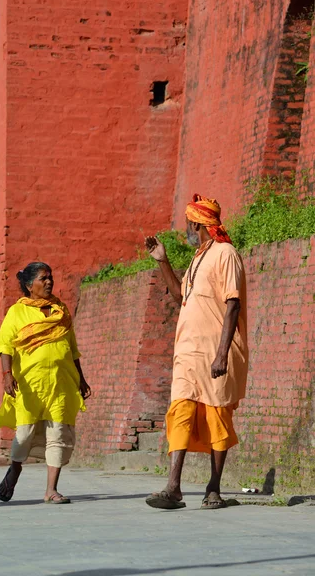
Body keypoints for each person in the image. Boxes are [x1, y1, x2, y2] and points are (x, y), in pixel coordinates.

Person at [145, 194, 248, 510]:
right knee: (181, 411)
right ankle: (173, 487)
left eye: (188, 223)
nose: (186, 229)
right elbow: (181, 297)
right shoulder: (198, 256)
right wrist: (162, 260)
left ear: (198, 223)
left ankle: (213, 488)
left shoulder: (225, 254)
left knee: (217, 415)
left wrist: (221, 353)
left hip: (216, 352)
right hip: (188, 351)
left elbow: (233, 304)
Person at [0, 262, 91, 504]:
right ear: (29, 285)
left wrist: (81, 378)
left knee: (58, 433)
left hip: (61, 383)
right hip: (29, 384)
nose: (49, 282)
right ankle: (15, 468)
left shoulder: (61, 310)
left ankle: (51, 490)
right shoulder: (17, 312)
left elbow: (72, 349)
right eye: (43, 278)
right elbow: (5, 346)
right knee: (25, 433)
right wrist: (7, 374)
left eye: (50, 277)